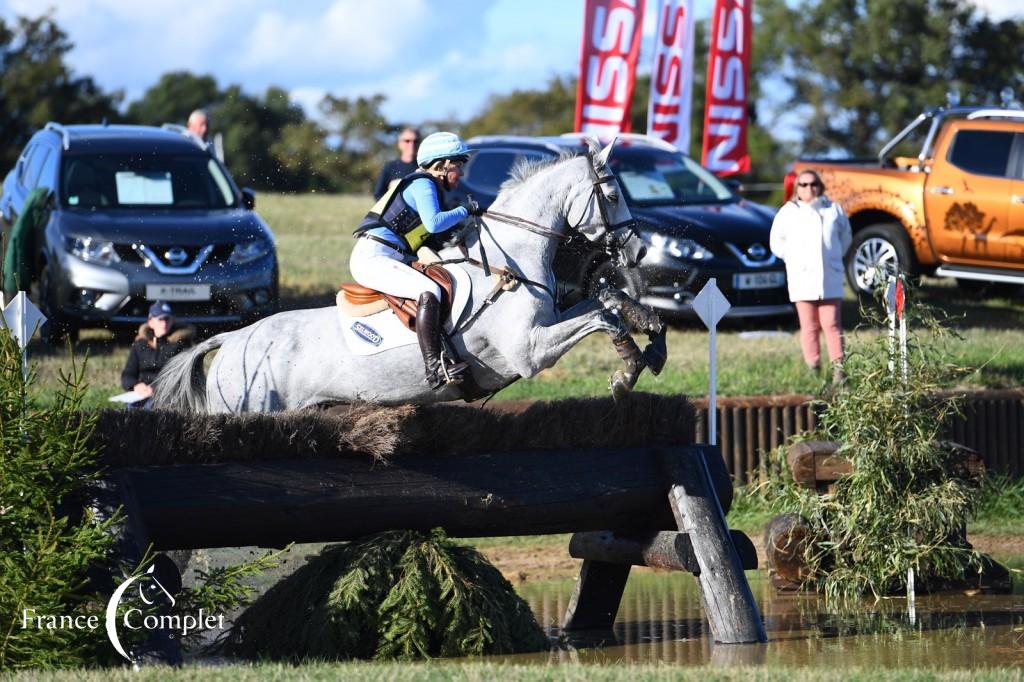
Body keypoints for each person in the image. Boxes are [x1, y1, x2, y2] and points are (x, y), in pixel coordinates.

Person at [351, 131, 482, 390]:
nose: (462, 174)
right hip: (373, 257)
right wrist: (466, 209)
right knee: (429, 289)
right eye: (459, 166)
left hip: (388, 254)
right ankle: (434, 368)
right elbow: (433, 224)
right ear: (442, 165)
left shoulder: (428, 186)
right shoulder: (424, 184)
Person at [770, 169, 852, 383]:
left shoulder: (834, 210)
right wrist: (795, 259)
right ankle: (813, 368)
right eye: (804, 184)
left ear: (820, 186)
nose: (809, 188)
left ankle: (838, 370)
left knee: (832, 324)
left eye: (813, 183)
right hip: (802, 277)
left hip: (829, 277)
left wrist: (832, 258)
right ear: (797, 188)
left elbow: (845, 238)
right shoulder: (788, 212)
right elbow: (777, 243)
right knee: (809, 326)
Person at [120, 301, 196, 407]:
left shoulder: (181, 344)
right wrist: (136, 385)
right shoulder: (140, 344)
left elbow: (181, 376)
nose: (164, 323)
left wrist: (156, 388)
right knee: (130, 409)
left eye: (167, 319)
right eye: (160, 319)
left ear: (172, 320)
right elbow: (128, 374)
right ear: (151, 322)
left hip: (170, 395)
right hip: (142, 394)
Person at [373, 127, 420, 200]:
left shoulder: (424, 167)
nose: (412, 144)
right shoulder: (389, 167)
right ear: (399, 143)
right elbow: (378, 194)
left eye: (415, 141)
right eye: (407, 141)